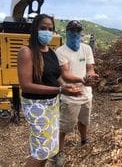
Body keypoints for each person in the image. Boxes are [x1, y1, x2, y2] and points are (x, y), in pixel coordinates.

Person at [17, 14, 82, 167]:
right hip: (36, 106)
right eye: (43, 28)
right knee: (41, 151)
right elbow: (26, 85)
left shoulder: (51, 52)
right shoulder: (27, 52)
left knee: (49, 148)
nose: (47, 32)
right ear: (35, 29)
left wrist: (66, 86)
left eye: (50, 29)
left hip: (52, 105)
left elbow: (56, 77)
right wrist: (60, 89)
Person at [55, 20, 99, 165]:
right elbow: (65, 74)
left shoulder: (86, 48)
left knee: (84, 120)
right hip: (70, 95)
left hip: (86, 93)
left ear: (81, 34)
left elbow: (90, 68)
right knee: (65, 126)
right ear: (67, 33)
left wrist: (91, 75)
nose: (75, 34)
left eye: (77, 32)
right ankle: (59, 152)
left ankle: (84, 139)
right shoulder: (60, 51)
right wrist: (82, 79)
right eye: (72, 31)